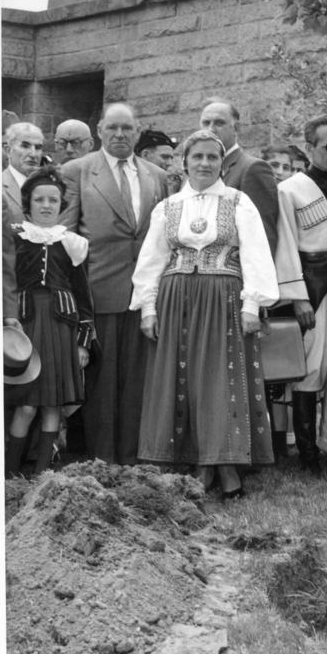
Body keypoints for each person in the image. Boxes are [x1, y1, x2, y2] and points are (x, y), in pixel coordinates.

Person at [131, 130, 278, 498]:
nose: (204, 163)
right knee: (181, 378)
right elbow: (152, 258)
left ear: (221, 162)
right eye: (197, 156)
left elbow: (256, 255)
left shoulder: (238, 201)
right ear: (185, 162)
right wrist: (148, 307)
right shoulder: (167, 208)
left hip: (222, 299)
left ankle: (220, 463)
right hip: (176, 297)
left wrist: (251, 304)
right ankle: (193, 462)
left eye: (212, 157)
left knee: (217, 379)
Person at [61, 101, 169, 464]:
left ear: (138, 132)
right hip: (98, 293)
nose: (120, 135)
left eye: (127, 128)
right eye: (112, 128)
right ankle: (101, 461)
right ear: (99, 132)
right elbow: (65, 236)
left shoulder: (156, 175)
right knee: (102, 385)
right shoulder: (77, 171)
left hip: (145, 295)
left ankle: (136, 459)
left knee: (140, 381)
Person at [274, 114, 327, 474]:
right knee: (311, 366)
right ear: (309, 148)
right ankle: (308, 455)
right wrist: (298, 297)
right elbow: (286, 245)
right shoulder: (289, 189)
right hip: (312, 281)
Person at [4, 167, 96, 477]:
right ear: (28, 204)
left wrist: (83, 341)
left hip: (60, 329)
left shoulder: (70, 243)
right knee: (26, 404)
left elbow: (83, 297)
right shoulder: (16, 237)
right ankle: (9, 473)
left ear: (61, 205)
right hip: (26, 327)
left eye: (53, 201)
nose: (46, 206)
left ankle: (42, 475)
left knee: (52, 405)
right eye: (39, 200)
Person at [199, 101, 279, 253]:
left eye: (219, 123)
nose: (211, 129)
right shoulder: (194, 172)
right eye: (206, 123)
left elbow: (263, 235)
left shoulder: (252, 169)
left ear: (236, 128)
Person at [2, 122, 45, 224]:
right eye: (25, 146)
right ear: (8, 151)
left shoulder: (50, 185)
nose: (33, 154)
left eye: (38, 148)